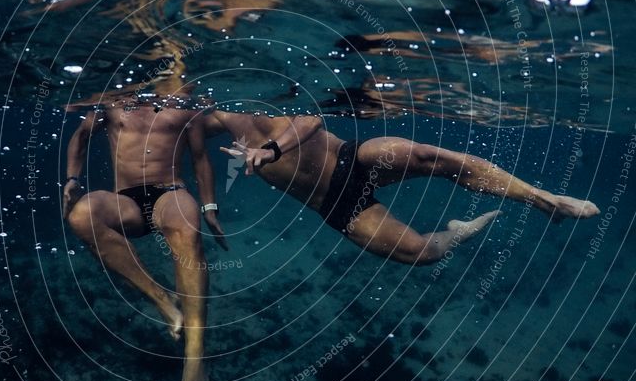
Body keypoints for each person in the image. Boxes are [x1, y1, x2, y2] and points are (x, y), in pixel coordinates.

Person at [206, 110, 599, 264]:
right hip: (332, 204)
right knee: (420, 253)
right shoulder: (206, 117)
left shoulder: (262, 91)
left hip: (349, 158)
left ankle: (544, 199)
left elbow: (310, 121)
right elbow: (197, 159)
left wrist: (271, 150)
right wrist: (208, 208)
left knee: (429, 156)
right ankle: (457, 232)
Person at [63, 92, 226, 381]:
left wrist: (209, 207)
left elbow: (200, 158)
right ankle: (162, 300)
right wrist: (71, 179)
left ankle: (195, 355)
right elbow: (81, 135)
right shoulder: (112, 99)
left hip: (170, 193)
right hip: (125, 200)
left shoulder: (185, 104)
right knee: (82, 216)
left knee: (187, 224)